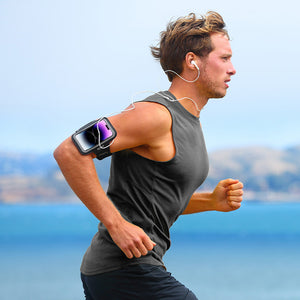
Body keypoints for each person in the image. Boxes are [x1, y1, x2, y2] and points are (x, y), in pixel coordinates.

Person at [54, 11, 244, 300]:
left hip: (124, 269)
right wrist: (117, 225)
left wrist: (210, 201)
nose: (233, 69)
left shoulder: (188, 118)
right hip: (121, 268)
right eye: (225, 58)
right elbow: (70, 150)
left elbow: (152, 199)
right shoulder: (151, 114)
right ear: (193, 61)